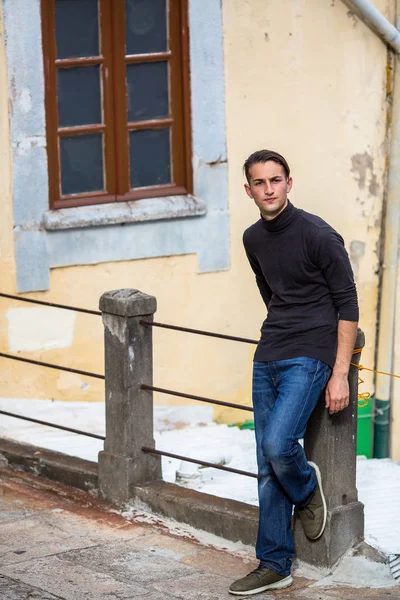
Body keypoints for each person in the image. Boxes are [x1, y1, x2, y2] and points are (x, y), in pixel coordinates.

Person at [229, 150, 359, 596]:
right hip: (269, 353)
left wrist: (338, 372)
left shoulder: (319, 235)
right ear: (249, 189)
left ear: (289, 183)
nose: (268, 189)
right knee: (266, 463)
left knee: (279, 444)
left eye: (276, 180)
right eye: (259, 183)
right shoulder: (253, 239)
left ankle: (305, 490)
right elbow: (272, 295)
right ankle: (274, 563)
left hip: (311, 354)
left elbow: (348, 304)